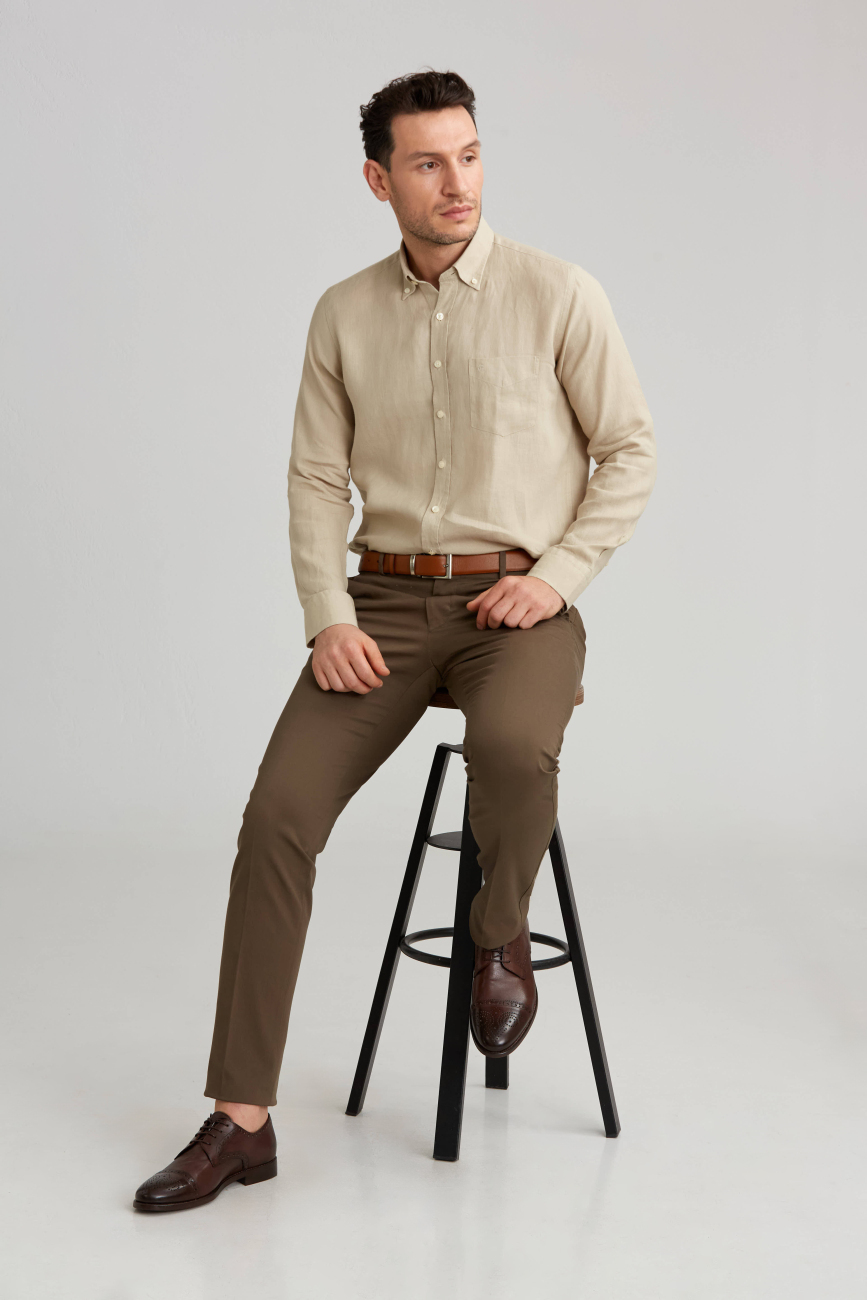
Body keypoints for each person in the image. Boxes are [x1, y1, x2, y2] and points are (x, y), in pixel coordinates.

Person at [133, 68, 656, 1212]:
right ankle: (241, 1119)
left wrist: (556, 578)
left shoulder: (559, 293)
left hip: (514, 606)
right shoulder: (343, 312)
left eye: (469, 155)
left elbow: (629, 451)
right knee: (276, 818)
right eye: (428, 163)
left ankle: (499, 930)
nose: (456, 181)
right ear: (380, 181)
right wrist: (327, 613)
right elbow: (316, 477)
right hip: (379, 605)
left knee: (511, 749)